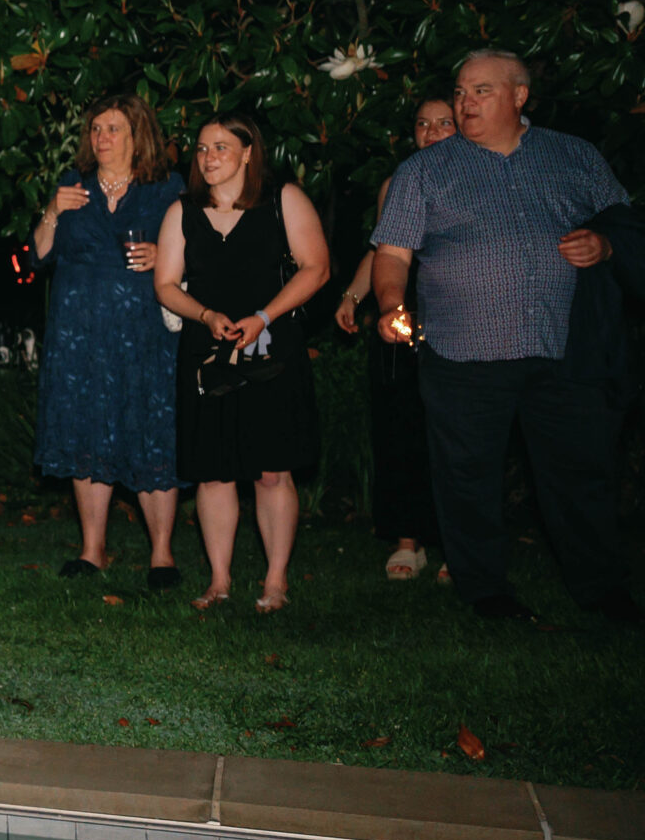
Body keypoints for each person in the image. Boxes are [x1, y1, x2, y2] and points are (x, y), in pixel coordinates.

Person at [370, 52, 635, 624]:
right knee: (467, 478)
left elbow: (625, 223)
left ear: (519, 96)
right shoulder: (427, 170)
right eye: (460, 92)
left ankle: (603, 591)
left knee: (580, 474)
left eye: (481, 91)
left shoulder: (573, 155)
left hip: (564, 348)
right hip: (464, 352)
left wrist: (604, 246)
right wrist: (392, 305)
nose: (464, 104)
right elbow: (392, 252)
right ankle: (485, 591)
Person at [153, 116, 332, 613]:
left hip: (271, 346)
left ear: (249, 152)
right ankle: (219, 579)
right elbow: (165, 284)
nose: (208, 157)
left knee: (273, 471)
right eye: (202, 148)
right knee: (212, 470)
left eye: (221, 147)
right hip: (207, 351)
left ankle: (275, 581)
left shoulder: (283, 200)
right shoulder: (182, 211)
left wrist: (264, 315)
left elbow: (317, 267)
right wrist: (205, 314)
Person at [29, 92, 186, 586]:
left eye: (113, 128)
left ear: (138, 135)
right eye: (96, 129)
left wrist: (165, 253)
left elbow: (196, 250)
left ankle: (162, 554)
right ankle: (92, 550)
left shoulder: (166, 188)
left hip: (144, 331)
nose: (101, 138)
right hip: (80, 333)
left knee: (150, 429)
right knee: (86, 430)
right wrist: (54, 210)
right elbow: (34, 258)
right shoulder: (73, 187)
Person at [330, 97, 457, 581]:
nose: (432, 131)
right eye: (423, 124)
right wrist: (352, 297)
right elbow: (385, 250)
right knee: (402, 425)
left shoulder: (480, 179)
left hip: (458, 315)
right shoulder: (398, 183)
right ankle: (409, 541)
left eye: (444, 122)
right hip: (399, 314)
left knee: (454, 433)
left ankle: (456, 544)